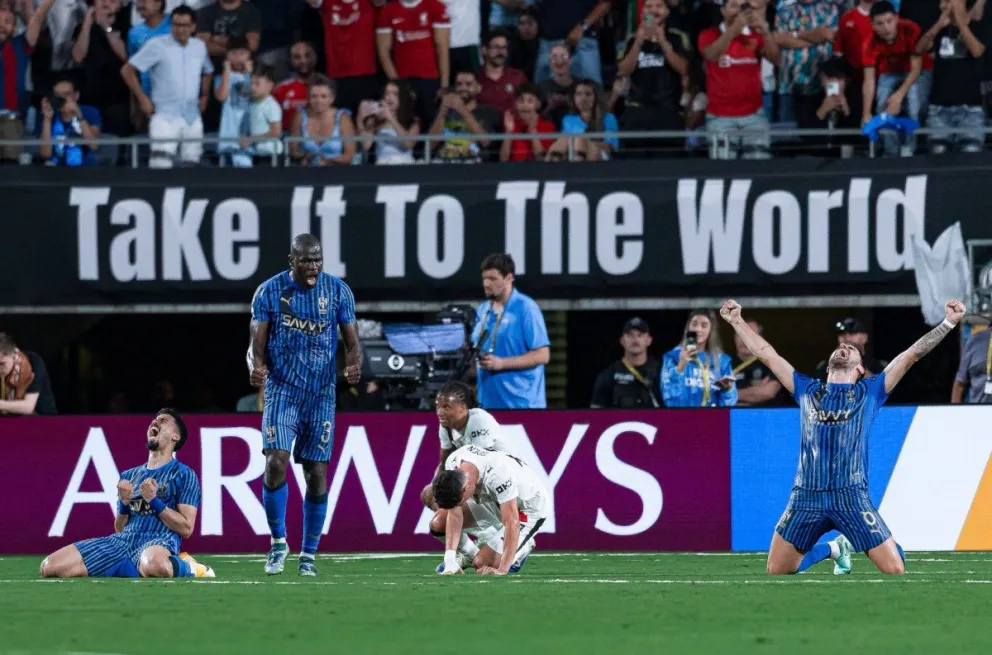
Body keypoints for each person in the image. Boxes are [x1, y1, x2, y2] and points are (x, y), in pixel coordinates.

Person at [720, 297, 966, 575]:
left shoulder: (870, 392)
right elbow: (767, 354)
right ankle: (834, 549)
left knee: (895, 569)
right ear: (829, 366)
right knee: (777, 569)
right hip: (806, 496)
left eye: (851, 348)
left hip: (850, 497)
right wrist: (736, 321)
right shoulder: (806, 390)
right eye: (841, 347)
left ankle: (882, 541)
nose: (844, 348)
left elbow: (911, 355)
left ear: (860, 369)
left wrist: (947, 323)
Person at [248, 233, 363, 577]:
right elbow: (256, 343)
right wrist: (255, 367)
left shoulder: (338, 291)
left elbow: (353, 342)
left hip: (321, 395)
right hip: (283, 390)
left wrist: (354, 364)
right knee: (276, 462)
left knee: (316, 474)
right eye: (305, 261)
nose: (313, 266)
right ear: (291, 261)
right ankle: (278, 542)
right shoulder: (269, 291)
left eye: (317, 260)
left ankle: (308, 554)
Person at [39, 409, 214, 579]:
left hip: (158, 541)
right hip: (122, 541)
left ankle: (191, 567)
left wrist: (154, 501)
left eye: (163, 421)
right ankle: (127, 566)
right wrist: (123, 503)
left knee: (155, 566)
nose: (155, 422)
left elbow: (186, 528)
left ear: (176, 436)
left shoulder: (183, 474)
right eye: (154, 420)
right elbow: (120, 527)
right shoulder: (129, 476)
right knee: (50, 566)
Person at [431, 443, 549, 575]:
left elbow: (511, 523)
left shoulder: (498, 475)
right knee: (439, 522)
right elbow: (455, 515)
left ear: (467, 488)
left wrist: (502, 569)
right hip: (492, 500)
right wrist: (450, 559)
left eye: (459, 502)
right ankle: (469, 554)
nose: (458, 505)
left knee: (482, 564)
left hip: (527, 508)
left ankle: (521, 549)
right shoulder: (453, 464)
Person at [420, 380, 519, 510]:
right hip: (474, 477)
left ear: (463, 407)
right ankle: (461, 528)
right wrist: (434, 486)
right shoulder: (445, 426)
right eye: (438, 406)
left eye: (446, 407)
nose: (440, 412)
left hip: (503, 478)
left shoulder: (478, 420)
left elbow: (483, 465)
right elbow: (444, 462)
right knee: (430, 495)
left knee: (452, 493)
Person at [472, 253, 551, 410]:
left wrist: (501, 364)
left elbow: (543, 355)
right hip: (488, 405)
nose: (487, 284)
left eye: (493, 279)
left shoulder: (526, 308)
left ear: (509, 278)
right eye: (484, 278)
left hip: (521, 405)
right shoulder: (483, 309)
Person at [661, 308, 738, 407]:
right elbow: (668, 397)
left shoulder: (721, 361)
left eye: (704, 325)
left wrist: (727, 390)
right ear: (688, 327)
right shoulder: (673, 357)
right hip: (682, 418)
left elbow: (730, 403)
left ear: (711, 330)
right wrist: (680, 366)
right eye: (694, 324)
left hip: (713, 419)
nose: (698, 329)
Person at [590, 317, 661, 409]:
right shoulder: (608, 375)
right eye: (630, 335)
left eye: (640, 335)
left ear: (649, 340)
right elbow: (595, 414)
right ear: (622, 340)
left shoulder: (662, 374)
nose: (635, 340)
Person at [0, 333, 57, 415]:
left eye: (2, 364)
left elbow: (28, 407)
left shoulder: (34, 362)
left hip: (43, 420)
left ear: (14, 354)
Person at [815, 316, 888, 378]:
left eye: (852, 333)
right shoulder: (825, 366)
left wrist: (859, 369)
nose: (846, 338)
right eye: (842, 335)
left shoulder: (879, 366)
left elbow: (885, 388)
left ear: (865, 337)